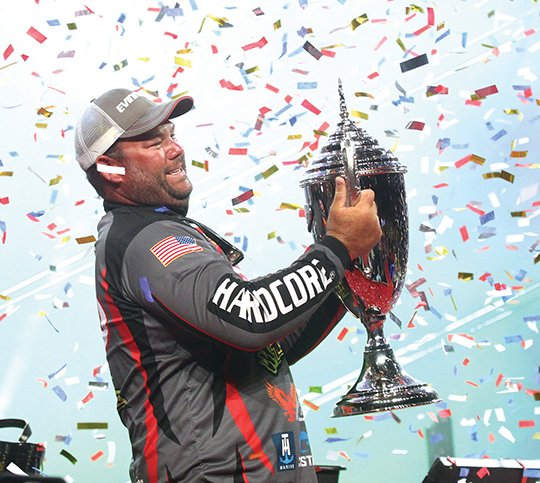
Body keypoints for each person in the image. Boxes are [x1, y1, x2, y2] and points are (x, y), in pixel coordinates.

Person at [74, 88, 381, 483]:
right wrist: (336, 250)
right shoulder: (147, 240)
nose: (175, 149)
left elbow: (268, 347)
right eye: (155, 142)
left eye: (171, 135)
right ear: (110, 170)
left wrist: (344, 269)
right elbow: (251, 318)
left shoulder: (163, 232)